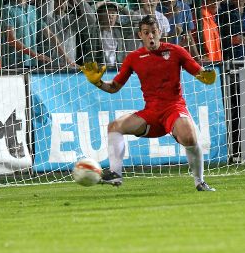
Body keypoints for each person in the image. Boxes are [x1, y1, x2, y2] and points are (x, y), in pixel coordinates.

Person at [80, 15, 217, 191]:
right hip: (151, 113)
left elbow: (199, 72)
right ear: (140, 35)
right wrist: (97, 82)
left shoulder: (176, 51)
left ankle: (200, 181)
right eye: (146, 33)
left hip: (173, 109)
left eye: (153, 32)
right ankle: (115, 175)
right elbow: (114, 87)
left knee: (189, 137)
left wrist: (205, 76)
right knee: (114, 126)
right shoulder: (133, 58)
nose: (151, 36)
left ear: (159, 32)